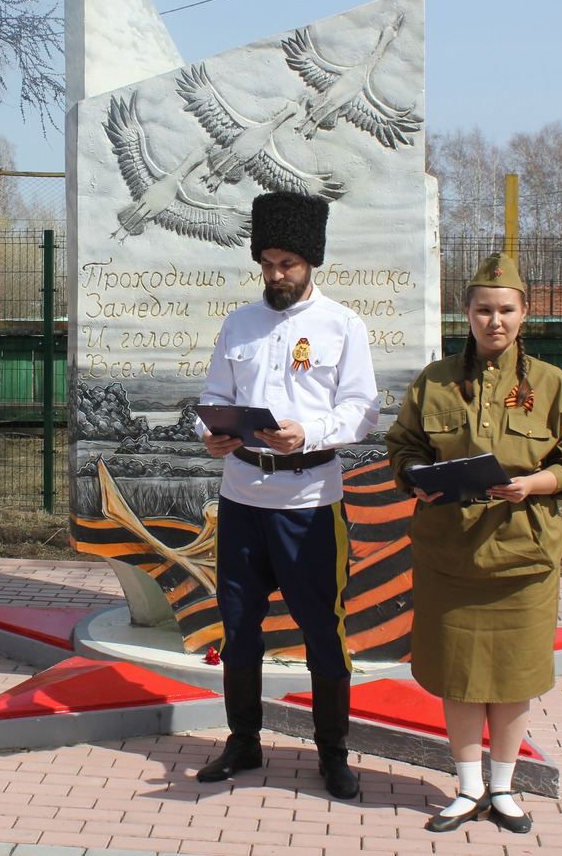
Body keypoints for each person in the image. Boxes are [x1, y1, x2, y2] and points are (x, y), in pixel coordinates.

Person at [384, 252, 562, 833]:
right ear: (467, 313)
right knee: (457, 675)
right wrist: (415, 480)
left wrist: (535, 483)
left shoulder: (553, 386)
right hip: (449, 557)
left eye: (506, 310)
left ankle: (503, 788)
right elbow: (402, 446)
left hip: (521, 561)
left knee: (513, 677)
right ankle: (467, 787)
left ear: (525, 313)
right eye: (484, 309)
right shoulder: (433, 383)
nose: (494, 321)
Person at [194, 191, 381, 800]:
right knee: (239, 624)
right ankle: (243, 741)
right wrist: (212, 434)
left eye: (288, 264)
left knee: (322, 630)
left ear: (311, 261)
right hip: (242, 498)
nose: (276, 275)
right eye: (268, 262)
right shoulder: (240, 323)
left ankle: (333, 753)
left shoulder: (342, 325)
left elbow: (362, 410)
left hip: (309, 504)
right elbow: (215, 396)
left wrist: (311, 432)